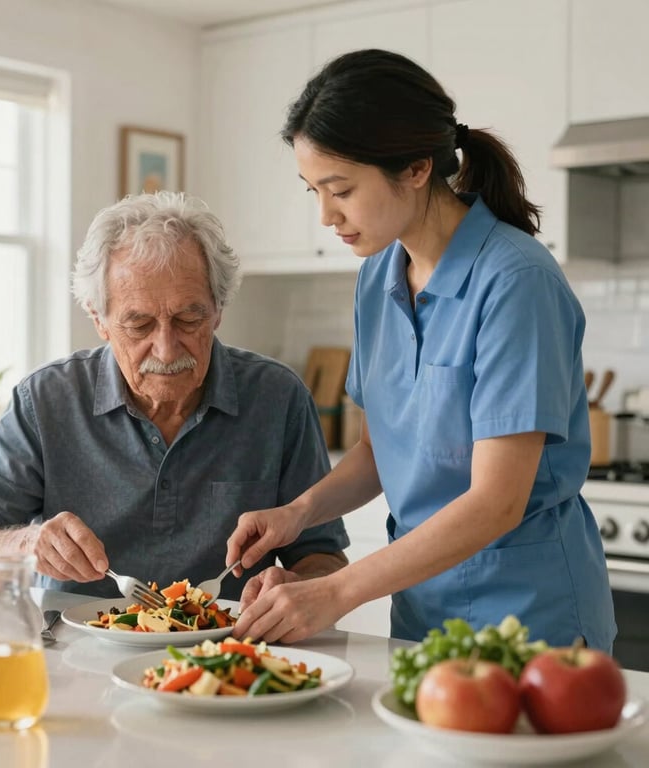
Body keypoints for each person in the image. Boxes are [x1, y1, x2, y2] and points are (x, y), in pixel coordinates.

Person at [226, 49, 616, 651]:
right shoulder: (377, 276)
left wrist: (337, 591)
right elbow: (381, 452)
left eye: (342, 189)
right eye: (314, 191)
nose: (327, 215)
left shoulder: (516, 281)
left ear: (415, 168)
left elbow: (497, 503)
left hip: (529, 623)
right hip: (422, 616)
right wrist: (298, 512)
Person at [0, 191, 349, 596]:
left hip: (224, 657)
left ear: (218, 309)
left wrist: (297, 587)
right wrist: (26, 544)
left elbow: (321, 557)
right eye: (139, 326)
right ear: (99, 319)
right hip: (71, 654)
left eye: (189, 319)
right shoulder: (45, 400)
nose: (167, 350)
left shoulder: (278, 398)